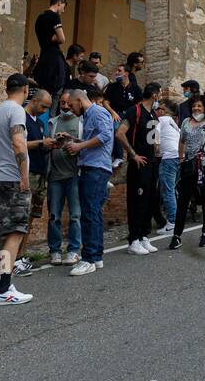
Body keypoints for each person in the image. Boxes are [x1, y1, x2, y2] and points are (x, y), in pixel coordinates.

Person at [0, 74, 36, 305]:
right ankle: (4, 289)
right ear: (24, 89)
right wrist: (24, 178)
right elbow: (18, 143)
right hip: (12, 179)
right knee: (15, 233)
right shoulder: (16, 111)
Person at [65, 84, 114, 275]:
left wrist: (79, 146)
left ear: (79, 100)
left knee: (89, 213)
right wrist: (73, 141)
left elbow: (106, 136)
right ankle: (97, 256)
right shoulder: (88, 116)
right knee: (94, 213)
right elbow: (94, 141)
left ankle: (88, 258)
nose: (69, 108)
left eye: (71, 105)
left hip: (96, 169)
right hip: (93, 167)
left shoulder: (98, 112)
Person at [171, 95, 205, 249]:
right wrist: (180, 158)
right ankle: (176, 236)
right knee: (183, 201)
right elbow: (181, 141)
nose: (196, 108)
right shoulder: (186, 122)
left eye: (199, 106)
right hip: (188, 166)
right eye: (194, 106)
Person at [12, 88, 55, 274]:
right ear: (35, 101)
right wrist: (41, 143)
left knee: (29, 219)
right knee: (19, 219)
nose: (45, 111)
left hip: (39, 173)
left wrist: (50, 144)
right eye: (44, 106)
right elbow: (18, 143)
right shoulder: (20, 117)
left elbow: (37, 146)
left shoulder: (38, 122)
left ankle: (20, 256)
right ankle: (10, 261)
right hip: (26, 174)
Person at [117, 81, 161, 255]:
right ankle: (133, 240)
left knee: (149, 200)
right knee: (136, 201)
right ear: (155, 94)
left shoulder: (153, 115)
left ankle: (143, 236)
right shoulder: (134, 111)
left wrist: (157, 151)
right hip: (138, 163)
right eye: (160, 94)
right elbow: (119, 133)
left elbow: (153, 140)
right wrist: (133, 154)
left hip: (151, 163)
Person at [46, 90, 83, 264]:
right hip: (54, 175)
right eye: (62, 103)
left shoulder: (81, 121)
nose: (66, 106)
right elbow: (45, 145)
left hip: (75, 175)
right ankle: (54, 250)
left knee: (75, 215)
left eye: (69, 103)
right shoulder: (52, 123)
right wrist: (52, 144)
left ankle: (74, 249)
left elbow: (86, 145)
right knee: (54, 215)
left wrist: (72, 142)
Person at [31, 0, 69, 99]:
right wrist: (54, 37)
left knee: (44, 87)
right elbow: (62, 39)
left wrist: (51, 37)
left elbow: (45, 37)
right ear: (59, 3)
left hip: (44, 54)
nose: (63, 11)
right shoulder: (54, 16)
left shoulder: (39, 18)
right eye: (63, 7)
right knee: (56, 89)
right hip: (54, 56)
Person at [154, 98, 181, 233]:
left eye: (159, 109)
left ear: (165, 111)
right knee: (172, 190)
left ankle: (172, 223)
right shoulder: (174, 124)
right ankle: (175, 220)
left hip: (169, 158)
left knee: (167, 191)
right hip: (179, 158)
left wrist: (156, 151)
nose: (156, 111)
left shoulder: (161, 120)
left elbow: (155, 138)